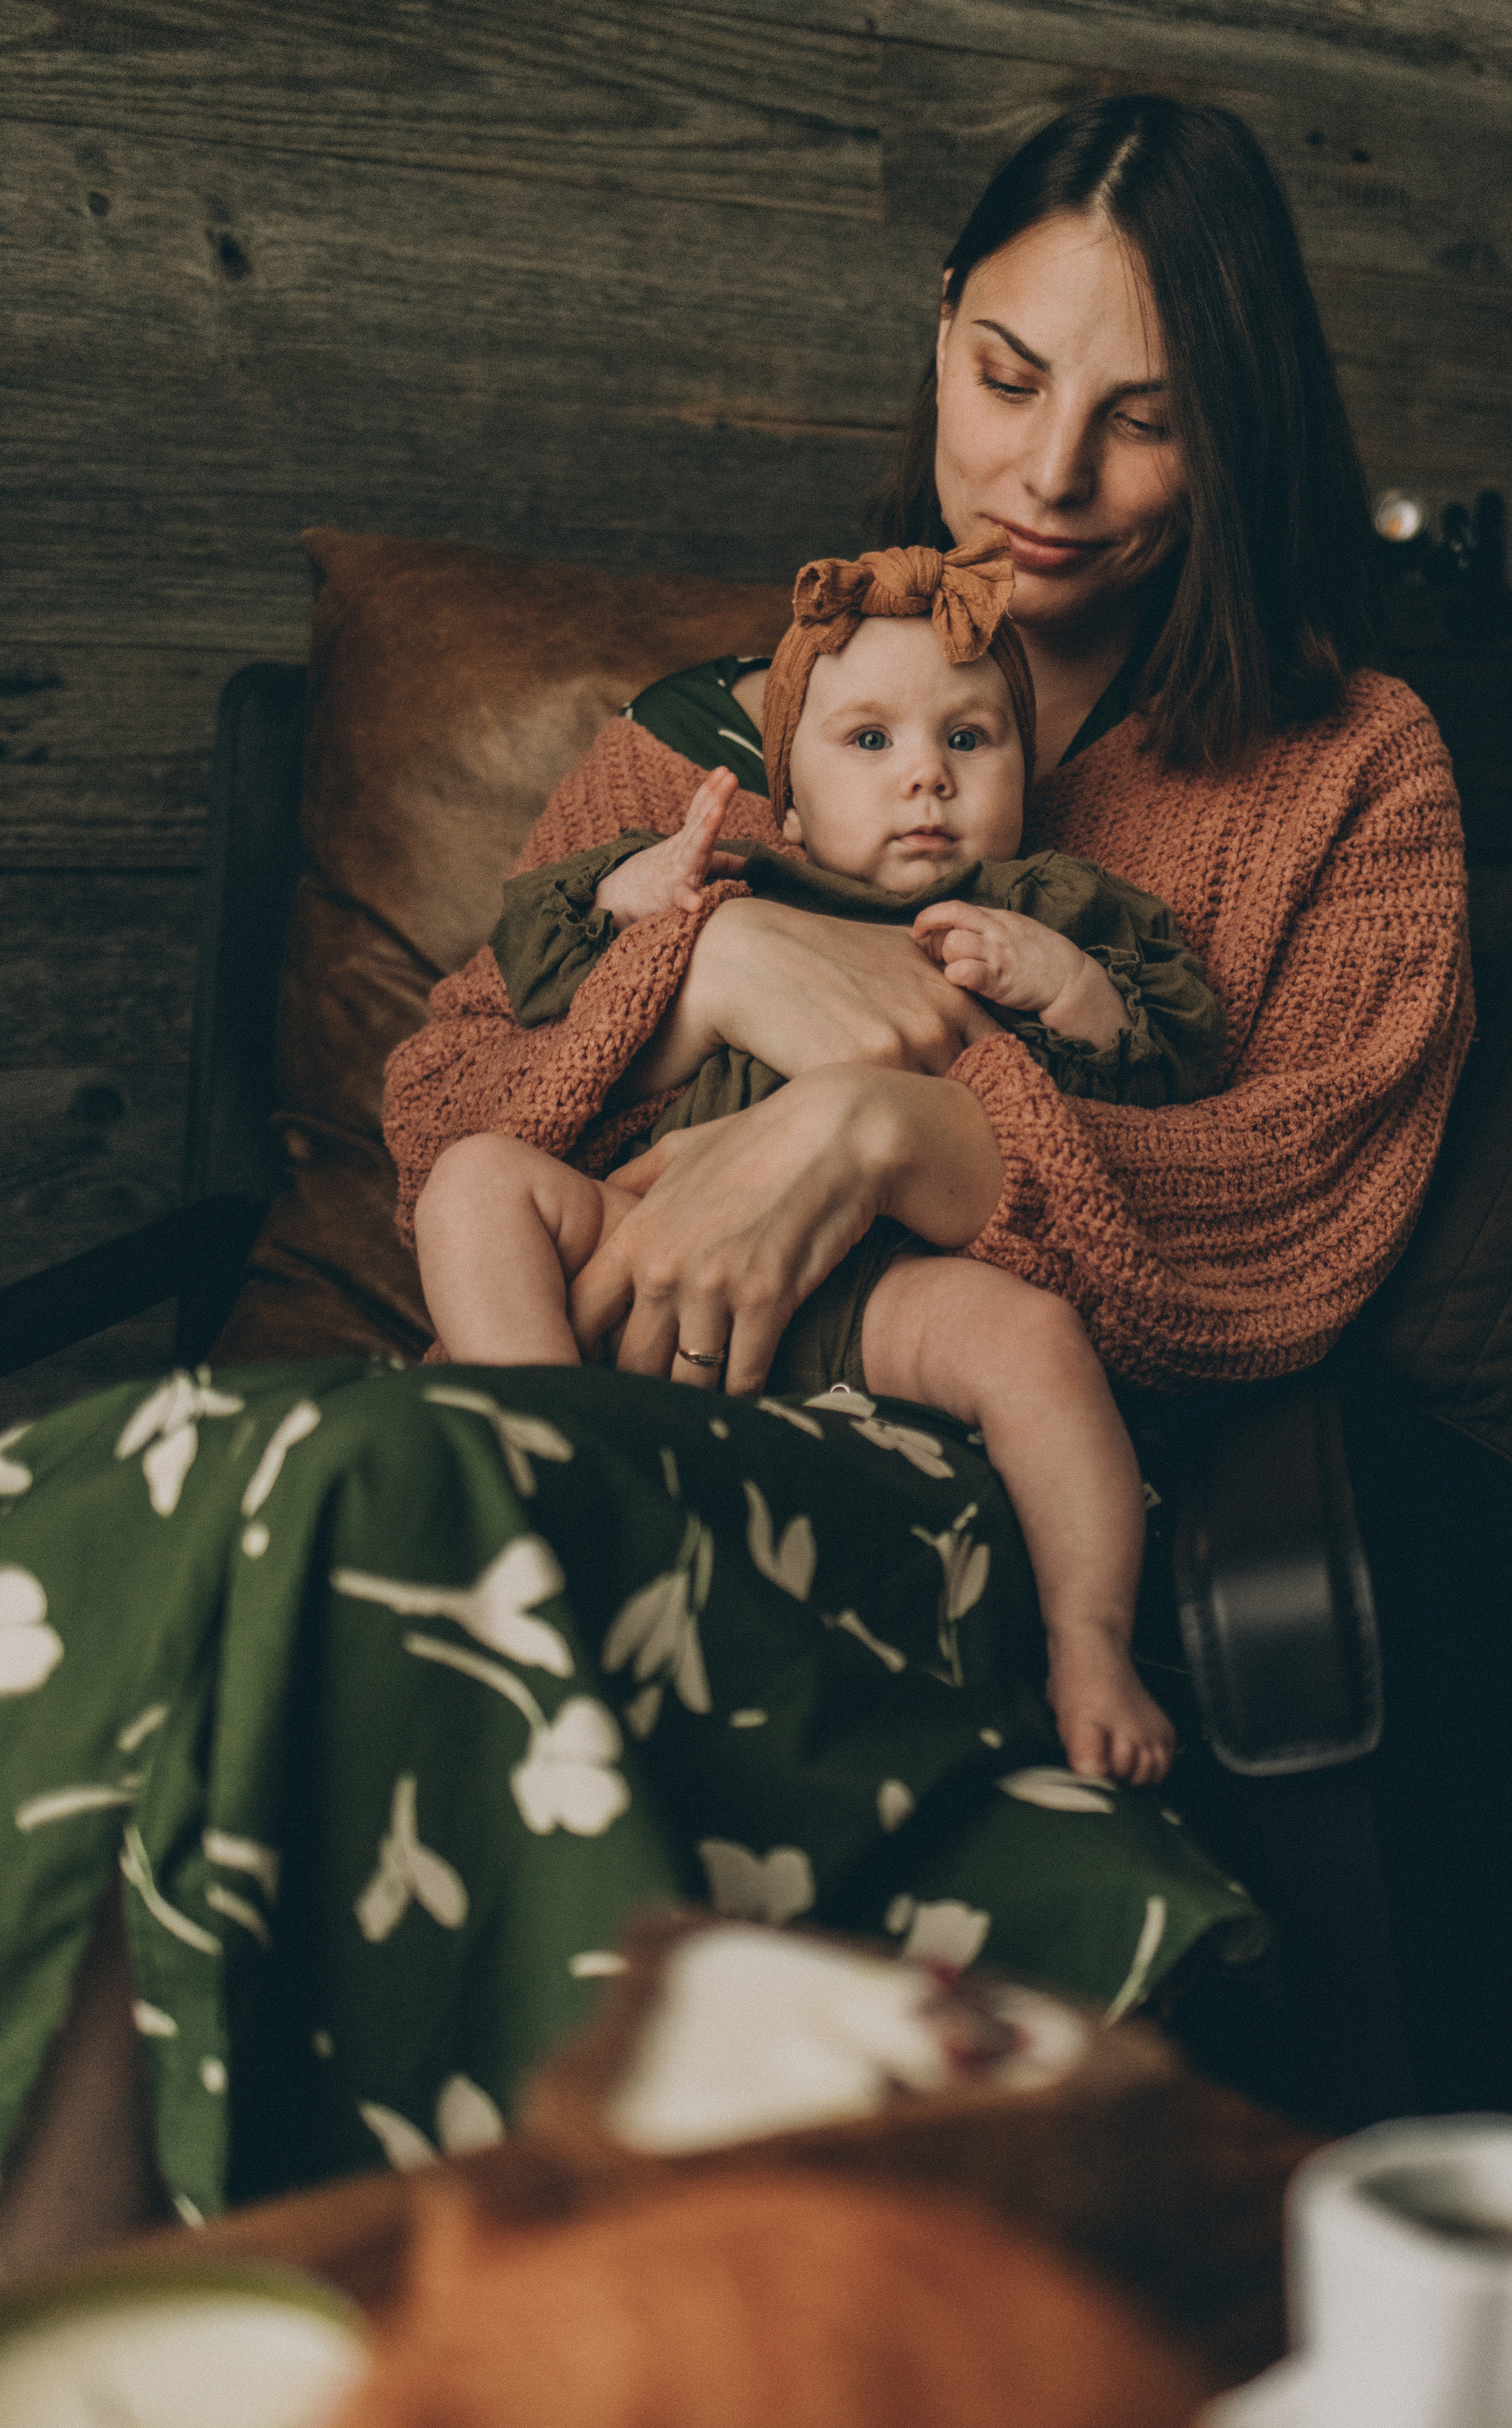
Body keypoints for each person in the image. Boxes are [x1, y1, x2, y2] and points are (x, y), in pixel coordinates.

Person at [4, 94, 1512, 2335]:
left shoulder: (1342, 767)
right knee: (182, 1489)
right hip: (588, 1376)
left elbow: (1300, 1211)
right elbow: (446, 1100)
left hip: (946, 1470)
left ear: (1238, 436)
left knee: (320, 1496)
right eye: (1006, 376)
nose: (1047, 476)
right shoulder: (725, 722)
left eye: (1142, 423)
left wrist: (892, 1126)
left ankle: (219, 2359)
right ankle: (98, 2357)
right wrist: (701, 961)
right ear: (936, 335)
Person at [411, 535, 1231, 1785]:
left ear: (1029, 771)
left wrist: (1067, 990)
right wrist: (640, 893)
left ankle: (1091, 1642)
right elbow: (536, 953)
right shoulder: (738, 881)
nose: (927, 781)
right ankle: (550, 1452)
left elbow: (1178, 1053)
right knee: (474, 1182)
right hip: (658, 1234)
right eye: (870, 743)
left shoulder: (1054, 906)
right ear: (784, 799)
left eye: (970, 740)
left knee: (1037, 1351)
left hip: (881, 1293)